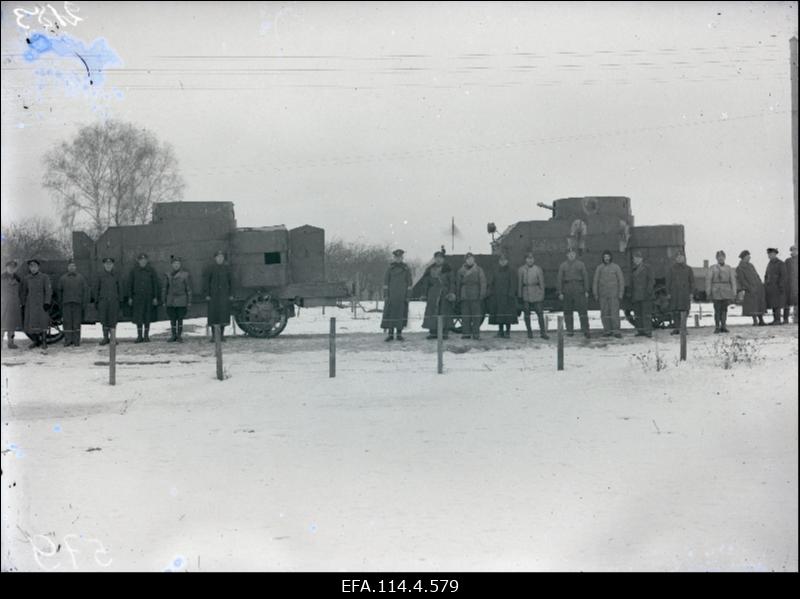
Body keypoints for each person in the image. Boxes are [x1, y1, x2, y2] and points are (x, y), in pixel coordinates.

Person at [420, 249, 455, 340]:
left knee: (445, 312)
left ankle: (444, 332)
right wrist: (424, 294)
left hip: (445, 294)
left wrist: (451, 292)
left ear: (443, 259)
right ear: (434, 259)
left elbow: (452, 282)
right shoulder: (429, 270)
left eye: (440, 258)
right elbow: (425, 283)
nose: (438, 260)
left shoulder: (448, 269)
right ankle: (433, 332)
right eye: (437, 258)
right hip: (433, 294)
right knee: (432, 312)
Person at [556, 249, 590, 339]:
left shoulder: (581, 264)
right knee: (568, 310)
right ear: (567, 255)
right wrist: (560, 292)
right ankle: (570, 330)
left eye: (573, 254)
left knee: (582, 310)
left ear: (575, 255)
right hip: (567, 289)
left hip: (579, 288)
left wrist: (586, 290)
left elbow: (585, 277)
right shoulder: (563, 265)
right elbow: (559, 279)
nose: (571, 255)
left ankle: (585, 329)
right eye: (569, 254)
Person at [380, 249, 412, 341]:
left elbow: (409, 283)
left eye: (400, 257)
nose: (398, 259)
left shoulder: (406, 269)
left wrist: (408, 296)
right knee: (390, 315)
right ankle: (390, 334)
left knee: (400, 314)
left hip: (402, 296)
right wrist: (386, 295)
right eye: (396, 257)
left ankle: (399, 334)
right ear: (394, 258)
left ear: (402, 258)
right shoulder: (389, 269)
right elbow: (386, 283)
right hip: (391, 296)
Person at [127, 253, 160, 343]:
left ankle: (146, 336)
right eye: (141, 260)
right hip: (137, 298)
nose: (143, 261)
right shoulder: (134, 271)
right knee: (139, 317)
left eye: (144, 260)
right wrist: (130, 297)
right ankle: (139, 336)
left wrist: (155, 297)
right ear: (138, 261)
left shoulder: (151, 271)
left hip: (148, 297)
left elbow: (155, 285)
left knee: (147, 316)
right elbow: (130, 285)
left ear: (147, 261)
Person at [20, 258, 52, 350]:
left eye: (35, 266)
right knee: (32, 323)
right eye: (31, 267)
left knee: (43, 322)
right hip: (31, 304)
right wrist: (23, 303)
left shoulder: (44, 277)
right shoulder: (27, 278)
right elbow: (24, 292)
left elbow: (48, 291)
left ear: (38, 267)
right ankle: (35, 341)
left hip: (41, 304)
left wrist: (47, 302)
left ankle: (44, 341)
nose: (33, 268)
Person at [592, 250, 624, 338]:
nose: (606, 258)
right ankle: (607, 330)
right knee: (604, 313)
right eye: (605, 257)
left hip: (614, 295)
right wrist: (595, 293)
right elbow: (595, 281)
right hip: (603, 295)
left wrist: (620, 293)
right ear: (603, 258)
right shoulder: (599, 268)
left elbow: (621, 281)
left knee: (614, 313)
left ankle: (616, 331)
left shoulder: (616, 267)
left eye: (608, 256)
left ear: (610, 257)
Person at [204, 250, 234, 342]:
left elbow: (231, 282)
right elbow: (206, 283)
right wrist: (207, 294)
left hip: (224, 296)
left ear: (223, 258)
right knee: (213, 316)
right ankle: (214, 336)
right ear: (215, 258)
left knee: (223, 316)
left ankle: (221, 335)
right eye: (218, 257)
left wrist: (231, 294)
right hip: (213, 297)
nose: (220, 259)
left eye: (221, 257)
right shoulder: (210, 268)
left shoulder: (227, 268)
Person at [517, 252, 549, 340]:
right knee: (526, 314)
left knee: (540, 313)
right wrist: (520, 295)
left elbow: (542, 283)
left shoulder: (538, 269)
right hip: (526, 293)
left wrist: (542, 294)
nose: (530, 260)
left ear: (533, 260)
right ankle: (529, 332)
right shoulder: (521, 270)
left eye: (531, 259)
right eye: (528, 259)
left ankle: (543, 332)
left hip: (536, 293)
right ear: (525, 260)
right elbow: (520, 283)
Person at [58, 259, 89, 347]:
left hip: (77, 304)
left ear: (76, 267)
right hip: (66, 304)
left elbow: (86, 291)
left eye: (73, 266)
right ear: (67, 267)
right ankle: (68, 340)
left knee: (76, 322)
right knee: (67, 323)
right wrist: (61, 303)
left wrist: (84, 303)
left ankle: (76, 341)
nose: (72, 267)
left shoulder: (80, 278)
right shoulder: (63, 278)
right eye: (70, 266)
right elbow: (59, 291)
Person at [457, 252, 487, 339]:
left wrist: (482, 294)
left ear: (474, 260)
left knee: (476, 316)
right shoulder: (460, 271)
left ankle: (476, 334)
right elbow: (458, 284)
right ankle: (466, 334)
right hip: (465, 295)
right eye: (468, 259)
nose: (470, 261)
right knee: (465, 316)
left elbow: (483, 282)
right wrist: (458, 296)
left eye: (471, 259)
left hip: (475, 295)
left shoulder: (479, 270)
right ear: (465, 260)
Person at [706, 250, 736, 333]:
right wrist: (708, 292)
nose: (721, 258)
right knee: (717, 309)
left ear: (725, 257)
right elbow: (709, 280)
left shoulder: (728, 268)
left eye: (722, 257)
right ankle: (717, 326)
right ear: (716, 258)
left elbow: (732, 280)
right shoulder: (712, 268)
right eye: (719, 257)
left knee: (724, 309)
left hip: (726, 290)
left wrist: (734, 291)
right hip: (716, 290)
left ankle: (723, 326)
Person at [163, 256, 192, 343]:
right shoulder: (168, 275)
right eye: (174, 264)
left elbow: (188, 289)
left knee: (180, 318)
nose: (176, 265)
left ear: (180, 264)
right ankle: (173, 335)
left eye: (178, 264)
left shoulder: (185, 275)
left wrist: (189, 301)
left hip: (181, 300)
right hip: (171, 300)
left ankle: (179, 335)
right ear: (171, 265)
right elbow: (164, 289)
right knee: (172, 318)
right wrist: (164, 301)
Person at [488, 254, 518, 338]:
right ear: (499, 261)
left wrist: (511, 294)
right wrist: (492, 293)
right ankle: (500, 331)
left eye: (504, 260)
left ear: (507, 261)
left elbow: (513, 284)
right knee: (499, 315)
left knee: (508, 315)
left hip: (508, 297)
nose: (502, 262)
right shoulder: (496, 271)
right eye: (501, 260)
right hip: (498, 296)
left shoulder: (511, 271)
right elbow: (492, 283)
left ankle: (507, 332)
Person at [665, 251, 695, 335]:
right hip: (675, 293)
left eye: (681, 257)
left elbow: (692, 282)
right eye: (678, 257)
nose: (679, 258)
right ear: (675, 259)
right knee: (675, 311)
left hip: (685, 294)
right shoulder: (671, 269)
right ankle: (676, 328)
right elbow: (668, 282)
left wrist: (691, 293)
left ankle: (683, 328)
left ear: (684, 258)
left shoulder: (688, 269)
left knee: (685, 311)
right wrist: (668, 293)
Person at [95, 257, 122, 346]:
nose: (108, 265)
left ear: (113, 265)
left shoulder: (116, 275)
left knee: (113, 320)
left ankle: (113, 338)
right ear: (104, 265)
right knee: (104, 320)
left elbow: (120, 289)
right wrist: (97, 301)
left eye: (110, 264)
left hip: (114, 301)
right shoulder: (100, 275)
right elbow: (97, 289)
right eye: (107, 264)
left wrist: (120, 300)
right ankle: (105, 338)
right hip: (103, 301)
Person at [735, 250, 766, 326]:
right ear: (744, 257)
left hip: (758, 287)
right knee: (752, 305)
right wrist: (749, 288)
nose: (749, 257)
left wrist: (760, 283)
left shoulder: (751, 265)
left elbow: (756, 275)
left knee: (759, 304)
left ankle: (761, 320)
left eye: (749, 256)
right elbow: (742, 280)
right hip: (750, 289)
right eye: (748, 256)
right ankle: (755, 321)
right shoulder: (739, 268)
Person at [630, 250, 654, 337]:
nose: (636, 260)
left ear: (641, 259)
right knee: (638, 315)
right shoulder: (633, 269)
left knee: (646, 314)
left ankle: (648, 331)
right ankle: (640, 331)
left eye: (637, 258)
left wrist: (649, 291)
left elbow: (651, 280)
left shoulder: (647, 268)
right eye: (635, 259)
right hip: (636, 295)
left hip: (645, 295)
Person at [1, 260, 22, 349]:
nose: (11, 269)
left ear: (15, 269)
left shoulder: (18, 279)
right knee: (1, 324)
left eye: (13, 268)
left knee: (12, 325)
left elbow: (21, 291)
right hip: (3, 304)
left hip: (14, 305)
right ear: (6, 268)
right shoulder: (1, 277)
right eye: (9, 267)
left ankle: (11, 342)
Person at [764, 248, 787, 325]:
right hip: (770, 287)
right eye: (769, 254)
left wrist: (781, 286)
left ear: (775, 254)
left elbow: (783, 276)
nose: (769, 256)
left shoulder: (781, 263)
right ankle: (775, 320)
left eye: (771, 254)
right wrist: (766, 283)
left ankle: (778, 320)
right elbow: (766, 275)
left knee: (777, 304)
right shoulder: (769, 263)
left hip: (777, 287)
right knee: (773, 304)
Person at [786, 245, 798, 324]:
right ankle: (788, 318)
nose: (794, 252)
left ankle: (796, 317)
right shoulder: (788, 261)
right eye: (792, 250)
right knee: (790, 301)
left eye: (795, 250)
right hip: (790, 284)